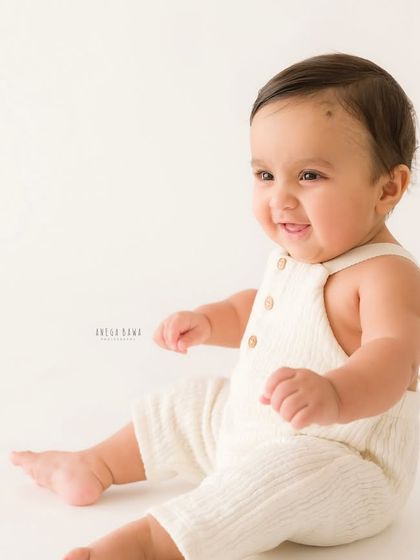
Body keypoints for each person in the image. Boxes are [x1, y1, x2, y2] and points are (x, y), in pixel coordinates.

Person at [10, 52, 420, 560]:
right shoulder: (300, 254)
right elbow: (262, 311)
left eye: (310, 176)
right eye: (266, 175)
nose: (281, 199)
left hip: (341, 463)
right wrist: (209, 321)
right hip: (254, 430)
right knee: (192, 404)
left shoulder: (386, 274)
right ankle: (95, 464)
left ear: (388, 187)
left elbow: (393, 357)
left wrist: (334, 394)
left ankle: (143, 547)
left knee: (272, 483)